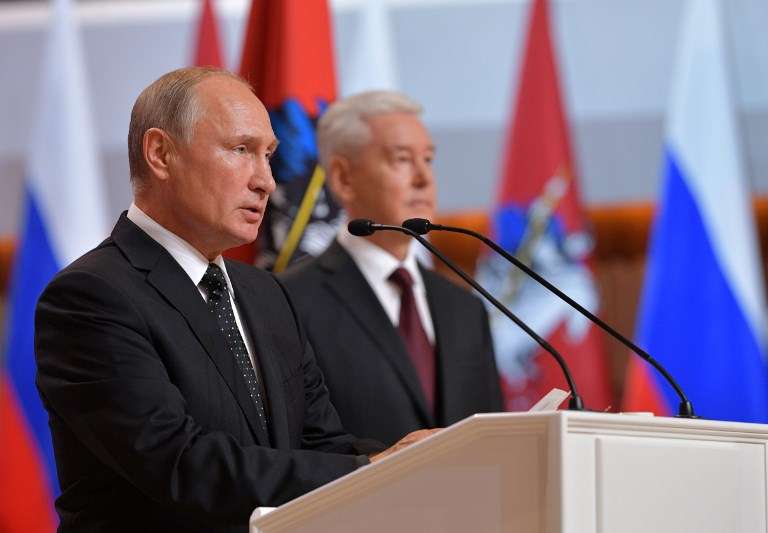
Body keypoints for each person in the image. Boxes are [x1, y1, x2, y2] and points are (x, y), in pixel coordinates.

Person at [34, 67, 434, 533]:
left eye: (269, 156)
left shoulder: (266, 293)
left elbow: (320, 445)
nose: (266, 181)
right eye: (241, 150)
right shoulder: (90, 298)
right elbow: (181, 465)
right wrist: (372, 470)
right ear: (161, 153)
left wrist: (422, 462)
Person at [280, 91, 504, 447]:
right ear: (343, 179)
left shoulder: (464, 308)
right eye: (402, 159)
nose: (423, 179)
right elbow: (297, 446)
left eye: (428, 160)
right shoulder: (290, 303)